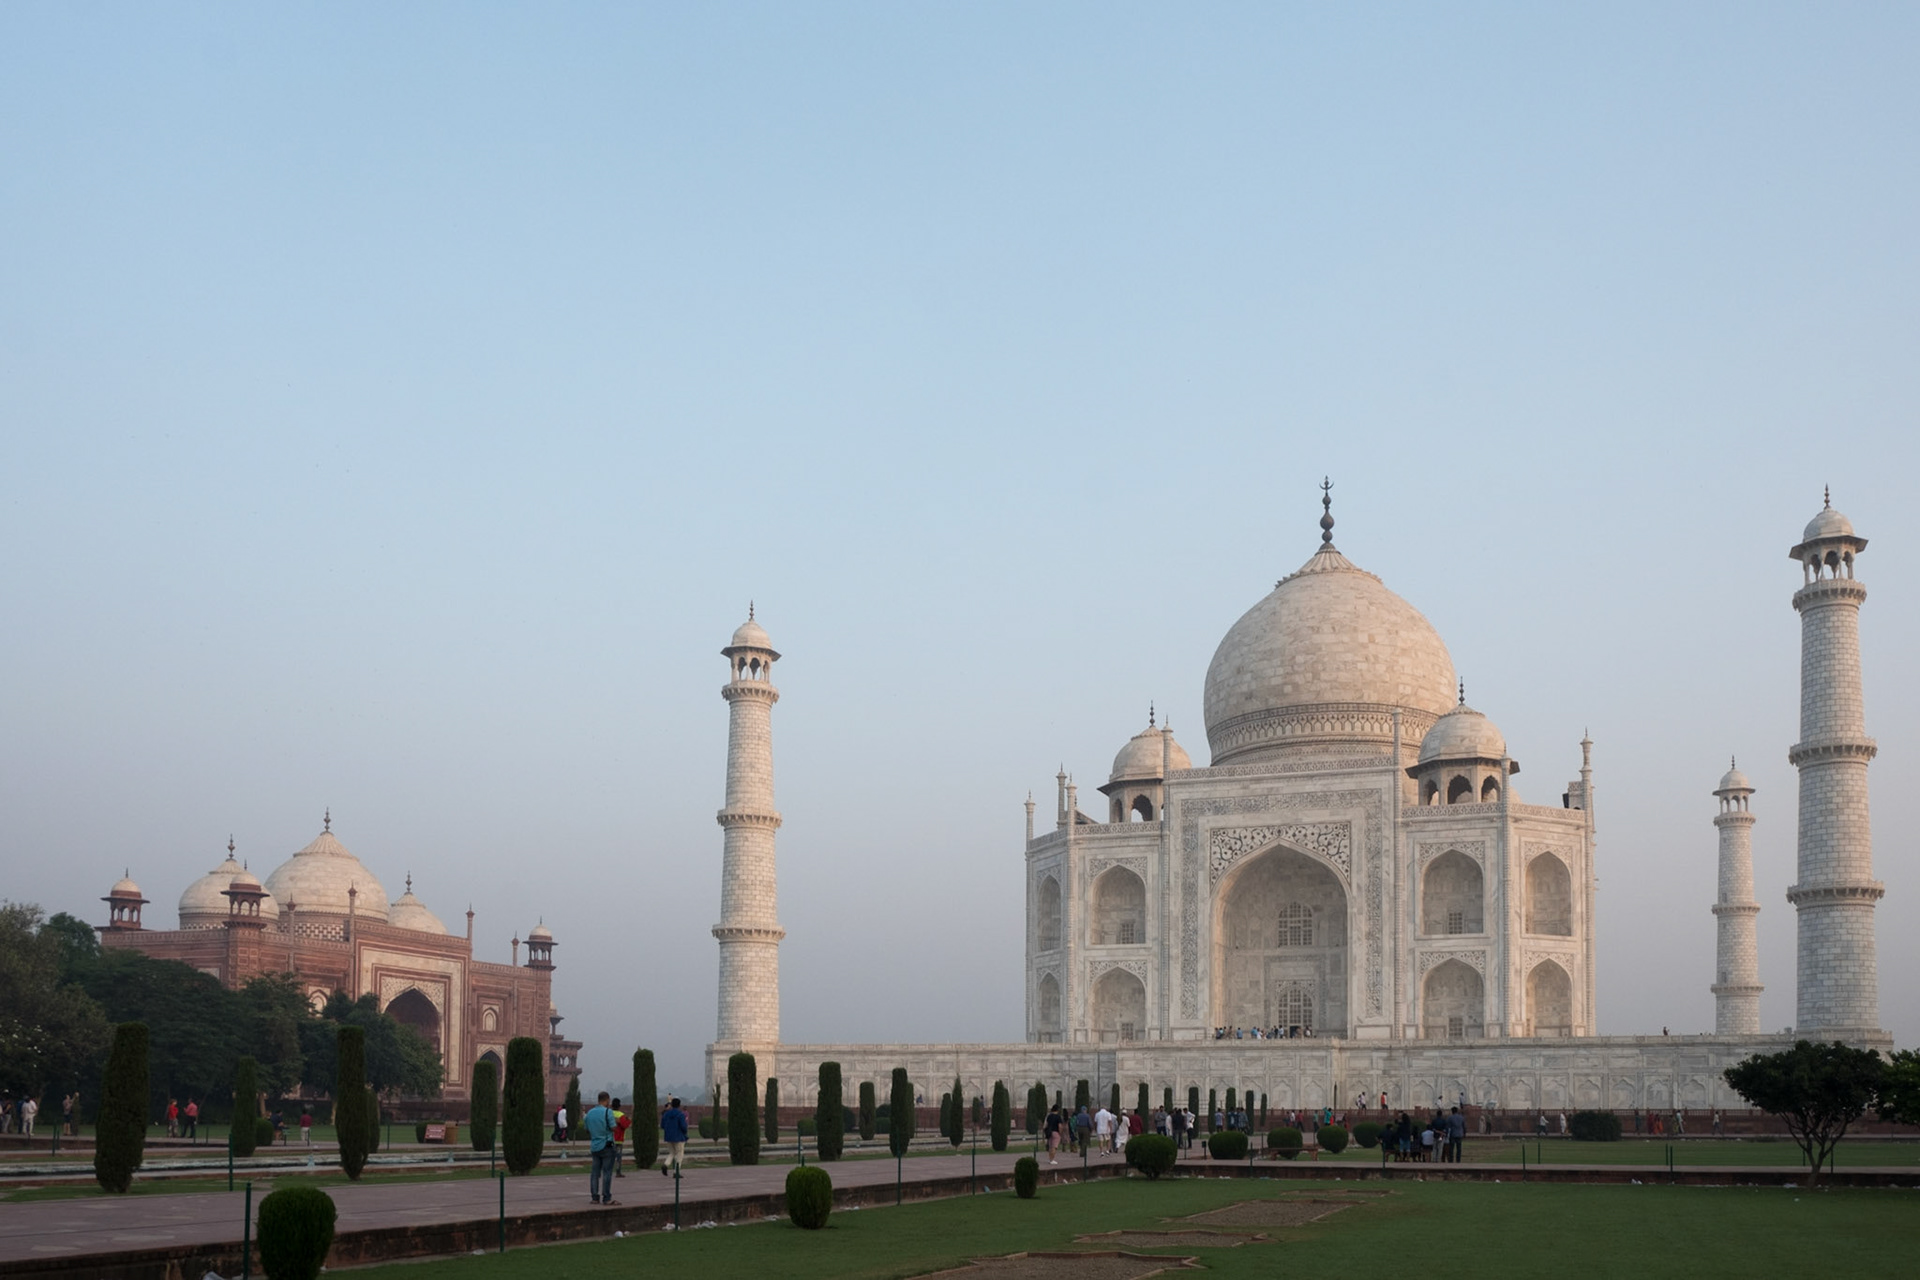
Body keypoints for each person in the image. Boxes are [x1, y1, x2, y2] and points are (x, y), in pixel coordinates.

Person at [583, 1091, 618, 1206]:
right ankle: (606, 1197)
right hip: (607, 1144)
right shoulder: (608, 1112)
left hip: (595, 1146)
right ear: (607, 1100)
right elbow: (613, 1128)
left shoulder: (590, 1113)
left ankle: (594, 1197)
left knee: (595, 1173)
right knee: (607, 1173)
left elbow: (587, 1129)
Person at [659, 1097, 689, 1179]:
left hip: (668, 1137)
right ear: (679, 1105)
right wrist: (685, 1133)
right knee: (679, 1154)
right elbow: (683, 1126)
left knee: (672, 1153)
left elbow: (662, 1125)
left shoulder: (666, 1114)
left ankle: (666, 1164)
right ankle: (676, 1172)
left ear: (671, 1105)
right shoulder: (680, 1114)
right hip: (679, 1137)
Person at [610, 1098, 629, 1177]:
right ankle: (618, 1172)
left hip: (610, 1138)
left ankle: (607, 1171)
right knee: (618, 1157)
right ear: (619, 1106)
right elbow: (625, 1125)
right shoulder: (621, 1115)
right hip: (619, 1139)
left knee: (609, 1157)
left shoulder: (609, 1113)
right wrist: (628, 1120)